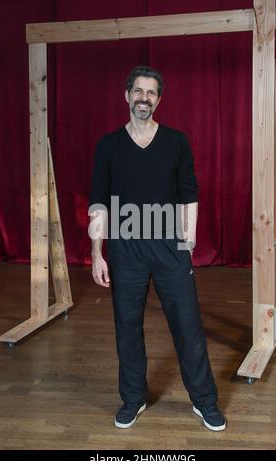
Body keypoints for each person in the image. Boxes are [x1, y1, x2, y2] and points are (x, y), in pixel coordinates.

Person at [88, 65, 226, 432]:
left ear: (159, 100)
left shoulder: (177, 141)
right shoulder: (109, 145)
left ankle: (205, 401)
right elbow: (99, 200)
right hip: (124, 247)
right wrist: (97, 251)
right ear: (127, 96)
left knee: (188, 326)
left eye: (151, 93)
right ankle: (133, 399)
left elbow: (189, 194)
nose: (144, 98)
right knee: (128, 327)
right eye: (138, 91)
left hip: (169, 245)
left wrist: (189, 239)